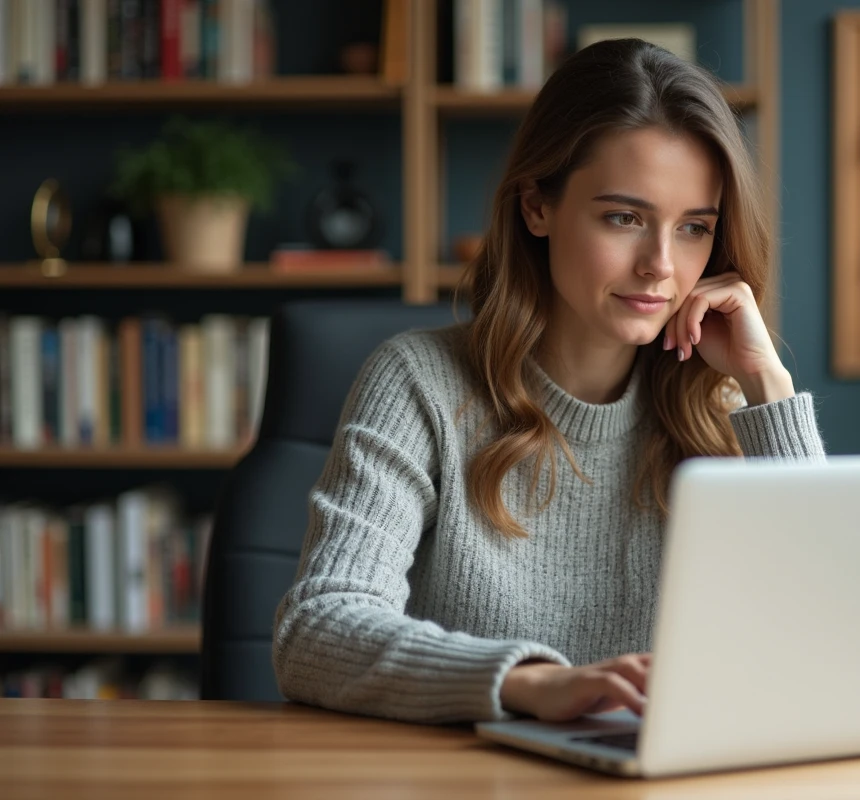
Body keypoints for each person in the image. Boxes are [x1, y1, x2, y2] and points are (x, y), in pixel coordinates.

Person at [272, 38, 825, 726]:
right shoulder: (420, 383)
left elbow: (826, 640)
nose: (660, 264)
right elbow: (317, 629)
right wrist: (528, 683)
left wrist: (767, 384)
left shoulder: (718, 406)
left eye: (693, 228)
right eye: (624, 217)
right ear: (537, 207)